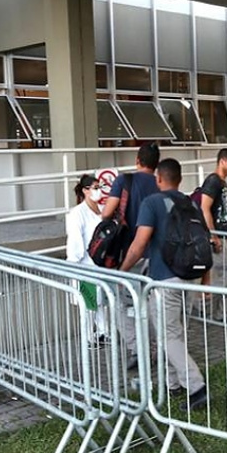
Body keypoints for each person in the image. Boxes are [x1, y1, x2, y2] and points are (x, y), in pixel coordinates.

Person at [120, 158, 208, 411]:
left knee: (167, 335)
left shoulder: (152, 203)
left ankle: (196, 387)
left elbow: (138, 245)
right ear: (179, 179)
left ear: (159, 178)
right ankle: (173, 383)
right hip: (190, 277)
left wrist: (121, 271)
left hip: (164, 278)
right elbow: (203, 239)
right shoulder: (190, 202)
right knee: (175, 333)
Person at [101, 141, 161, 368]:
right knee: (153, 305)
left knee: (122, 305)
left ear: (137, 160)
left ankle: (138, 350)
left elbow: (106, 213)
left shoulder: (124, 181)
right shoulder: (160, 183)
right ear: (156, 165)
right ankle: (158, 348)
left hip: (129, 254)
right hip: (155, 254)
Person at [66, 173, 107, 345]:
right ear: (85, 191)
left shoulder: (103, 210)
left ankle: (104, 333)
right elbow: (75, 241)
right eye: (95, 188)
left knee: (102, 303)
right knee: (89, 304)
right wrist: (74, 264)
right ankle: (90, 338)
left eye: (100, 188)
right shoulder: (77, 213)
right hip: (85, 265)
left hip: (102, 264)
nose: (99, 192)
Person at [200, 148, 227, 322]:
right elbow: (204, 207)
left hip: (223, 235)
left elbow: (224, 212)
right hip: (217, 236)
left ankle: (219, 313)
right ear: (222, 161)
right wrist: (213, 235)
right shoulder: (213, 181)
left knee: (224, 275)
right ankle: (220, 313)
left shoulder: (221, 182)